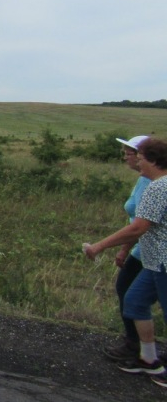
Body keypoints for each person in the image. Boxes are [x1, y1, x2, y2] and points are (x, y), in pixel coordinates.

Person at [84, 138, 167, 383]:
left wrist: (99, 246)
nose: (137, 163)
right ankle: (148, 360)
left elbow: (138, 228)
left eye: (140, 158)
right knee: (134, 300)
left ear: (153, 160)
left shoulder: (158, 188)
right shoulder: (156, 184)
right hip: (153, 261)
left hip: (163, 262)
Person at [102, 135, 151, 362]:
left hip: (152, 251)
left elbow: (139, 226)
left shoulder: (152, 183)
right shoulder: (144, 179)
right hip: (143, 248)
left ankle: (137, 346)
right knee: (131, 293)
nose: (126, 158)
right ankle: (141, 347)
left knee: (131, 293)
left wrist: (100, 246)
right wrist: (125, 250)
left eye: (129, 153)